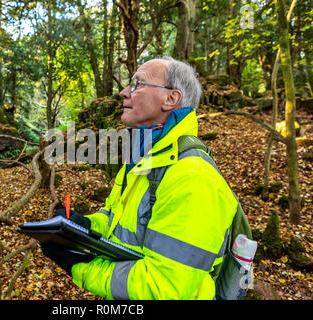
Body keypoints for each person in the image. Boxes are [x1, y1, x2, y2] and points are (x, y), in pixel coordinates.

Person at [42, 57, 238, 300]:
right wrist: (86, 226)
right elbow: (119, 222)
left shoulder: (193, 177)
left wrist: (80, 266)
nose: (124, 92)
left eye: (137, 84)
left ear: (170, 99)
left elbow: (162, 287)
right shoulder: (143, 160)